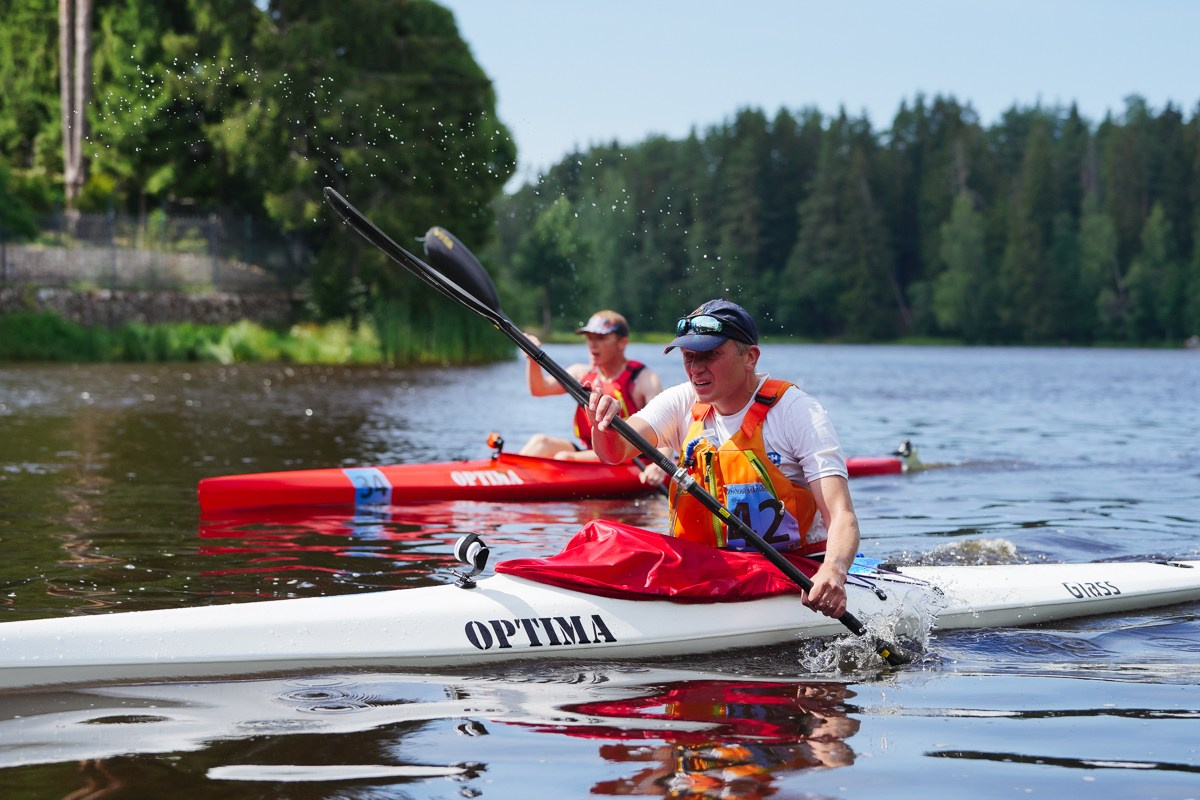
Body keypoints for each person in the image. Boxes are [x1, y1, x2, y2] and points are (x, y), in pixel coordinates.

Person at [585, 299, 862, 621]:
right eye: (688, 357)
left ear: (750, 357)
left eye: (710, 355)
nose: (695, 368)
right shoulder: (681, 401)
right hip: (704, 568)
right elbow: (614, 450)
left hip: (788, 569)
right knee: (605, 537)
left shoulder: (796, 412)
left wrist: (834, 570)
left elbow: (842, 515)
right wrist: (602, 421)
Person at [519, 310, 664, 462]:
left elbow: (662, 426)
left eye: (601, 338)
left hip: (628, 455)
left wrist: (661, 462)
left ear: (622, 343)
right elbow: (539, 389)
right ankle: (501, 476)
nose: (593, 344)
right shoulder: (581, 374)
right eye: (589, 337)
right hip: (592, 451)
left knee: (564, 457)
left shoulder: (643, 378)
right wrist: (531, 359)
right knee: (540, 442)